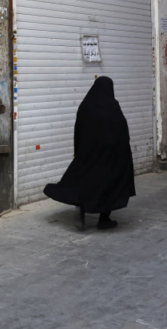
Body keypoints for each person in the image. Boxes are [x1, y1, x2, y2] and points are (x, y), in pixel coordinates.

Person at [44, 76, 135, 230]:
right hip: (112, 157)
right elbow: (122, 131)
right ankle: (104, 219)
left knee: (86, 181)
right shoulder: (113, 106)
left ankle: (82, 207)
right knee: (110, 185)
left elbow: (78, 130)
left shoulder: (85, 106)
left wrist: (78, 151)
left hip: (89, 154)